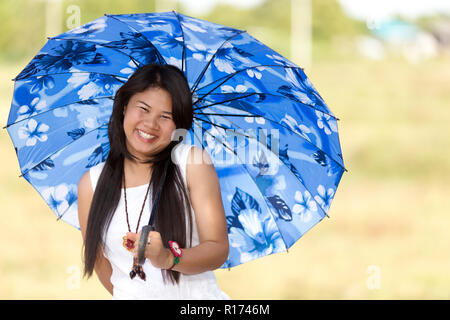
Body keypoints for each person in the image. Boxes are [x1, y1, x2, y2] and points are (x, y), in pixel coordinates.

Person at [77, 63, 230, 299]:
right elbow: (102, 264)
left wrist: (170, 258)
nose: (150, 124)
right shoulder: (92, 184)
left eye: (165, 116)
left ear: (179, 125)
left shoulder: (192, 164)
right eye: (143, 108)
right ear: (125, 106)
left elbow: (217, 249)